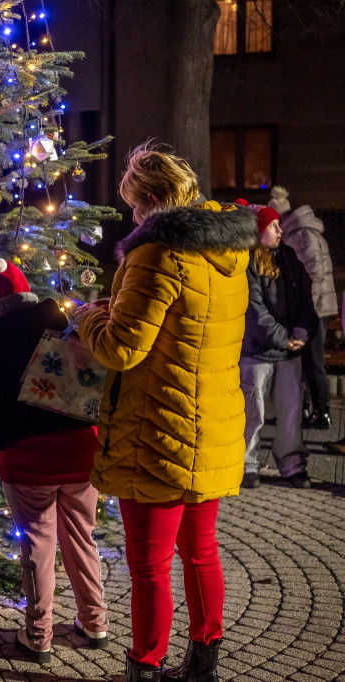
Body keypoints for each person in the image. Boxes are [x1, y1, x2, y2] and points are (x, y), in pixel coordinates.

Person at [73, 143, 256, 682]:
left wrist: (89, 317)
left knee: (150, 564)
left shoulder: (158, 252)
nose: (131, 216)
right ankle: (203, 664)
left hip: (158, 431)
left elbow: (122, 350)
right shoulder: (229, 254)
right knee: (201, 552)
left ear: (152, 201)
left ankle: (145, 666)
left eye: (133, 206)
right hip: (211, 423)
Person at [0, 258, 108, 664]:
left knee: (38, 547)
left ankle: (38, 635)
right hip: (81, 452)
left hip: (27, 464)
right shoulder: (61, 321)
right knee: (82, 538)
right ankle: (95, 622)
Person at [238, 200, 318, 489]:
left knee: (291, 411)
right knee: (252, 414)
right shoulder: (247, 262)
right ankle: (246, 465)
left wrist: (302, 330)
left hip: (287, 354)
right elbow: (254, 311)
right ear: (259, 231)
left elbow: (306, 298)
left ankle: (292, 465)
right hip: (256, 354)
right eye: (273, 226)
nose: (279, 230)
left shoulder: (288, 258)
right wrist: (285, 338)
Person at [268, 187, 337, 430]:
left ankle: (322, 411)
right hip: (313, 307)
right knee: (302, 360)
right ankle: (305, 410)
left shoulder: (302, 235)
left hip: (315, 309)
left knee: (312, 360)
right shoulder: (298, 233)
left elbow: (314, 276)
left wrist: (307, 313)